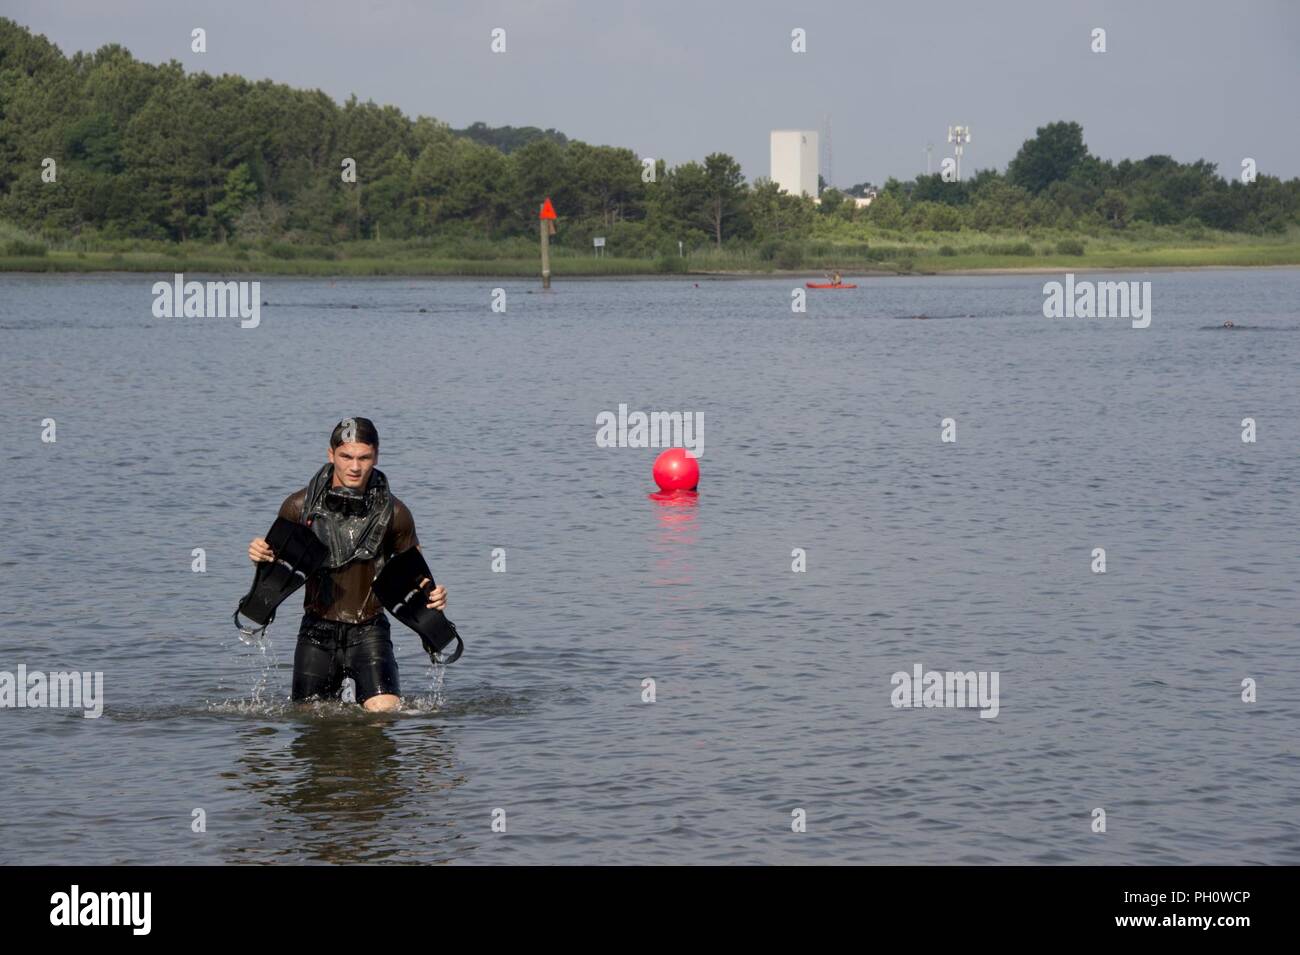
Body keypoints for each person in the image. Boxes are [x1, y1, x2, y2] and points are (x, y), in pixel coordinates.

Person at [246, 417, 446, 712]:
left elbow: (416, 576)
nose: (355, 467)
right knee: (310, 723)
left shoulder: (397, 513)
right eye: (347, 457)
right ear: (331, 455)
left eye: (364, 458)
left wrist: (436, 595)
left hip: (370, 629)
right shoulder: (298, 507)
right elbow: (276, 571)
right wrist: (259, 556)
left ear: (376, 456)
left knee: (385, 712)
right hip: (316, 630)